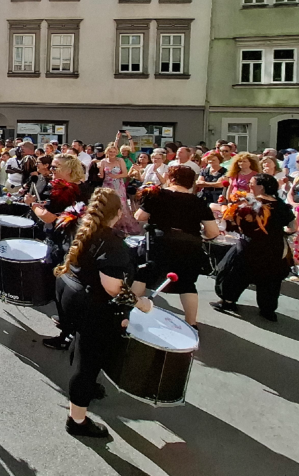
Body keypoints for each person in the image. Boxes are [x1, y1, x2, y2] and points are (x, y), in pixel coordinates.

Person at [54, 188, 152, 438]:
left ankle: (87, 385)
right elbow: (113, 288)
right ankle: (77, 420)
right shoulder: (112, 244)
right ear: (118, 213)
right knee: (87, 366)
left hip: (72, 298)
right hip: (92, 308)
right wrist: (140, 303)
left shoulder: (82, 227)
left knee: (83, 346)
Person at [134, 166, 219, 326]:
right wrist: (201, 236)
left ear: (171, 178)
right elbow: (213, 232)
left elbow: (140, 216)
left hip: (159, 242)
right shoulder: (198, 202)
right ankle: (191, 323)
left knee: (142, 275)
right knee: (187, 284)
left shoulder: (157, 195)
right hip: (188, 245)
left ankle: (129, 314)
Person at [213, 174, 296, 320]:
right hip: (274, 247)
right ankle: (267, 310)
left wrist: (226, 210)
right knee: (270, 278)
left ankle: (228, 301)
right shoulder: (281, 205)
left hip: (249, 245)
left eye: (252, 183)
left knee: (234, 272)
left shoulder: (249, 204)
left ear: (261, 187)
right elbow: (293, 226)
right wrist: (279, 232)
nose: (249, 185)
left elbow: (233, 224)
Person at [99, 144, 142, 234]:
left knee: (121, 204)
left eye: (114, 152)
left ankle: (123, 226)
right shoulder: (103, 161)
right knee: (108, 203)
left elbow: (125, 174)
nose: (112, 153)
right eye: (110, 151)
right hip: (107, 185)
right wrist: (98, 173)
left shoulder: (120, 160)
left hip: (118, 184)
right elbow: (102, 175)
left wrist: (115, 176)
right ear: (107, 152)